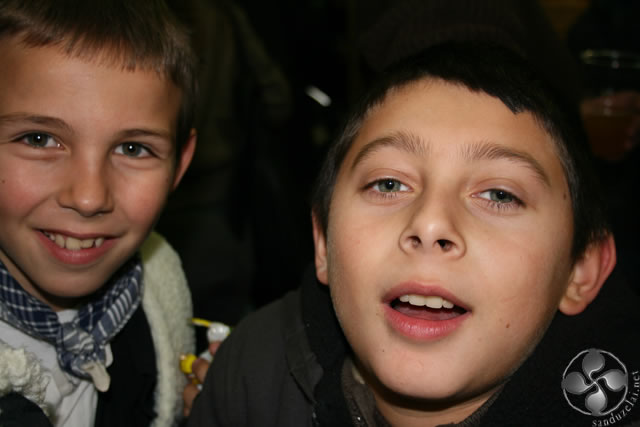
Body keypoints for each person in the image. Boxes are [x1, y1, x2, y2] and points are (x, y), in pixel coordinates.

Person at [186, 41, 640, 426]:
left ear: (580, 269)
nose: (430, 223)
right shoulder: (252, 373)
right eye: (389, 184)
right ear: (322, 243)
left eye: (499, 194)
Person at [0, 1, 197, 426]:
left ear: (179, 166)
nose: (89, 198)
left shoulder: (160, 314)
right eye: (39, 139)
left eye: (133, 148)